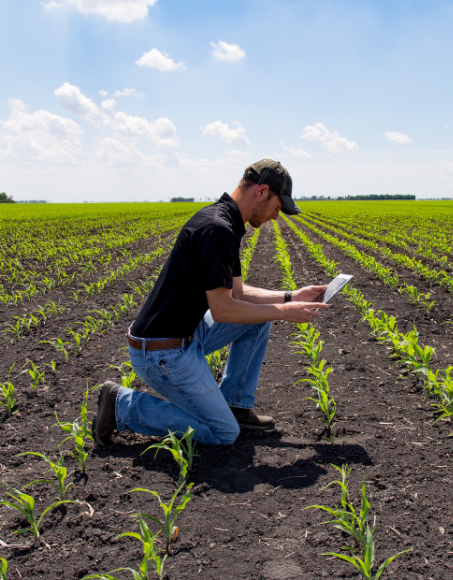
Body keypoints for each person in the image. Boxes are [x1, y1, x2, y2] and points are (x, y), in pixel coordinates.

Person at [92, 159, 329, 447]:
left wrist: (292, 296)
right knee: (223, 432)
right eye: (278, 206)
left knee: (258, 320)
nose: (276, 216)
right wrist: (284, 312)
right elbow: (223, 309)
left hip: (182, 334)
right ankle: (121, 406)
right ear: (262, 191)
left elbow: (239, 294)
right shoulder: (217, 228)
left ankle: (235, 405)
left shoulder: (225, 222)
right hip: (162, 354)